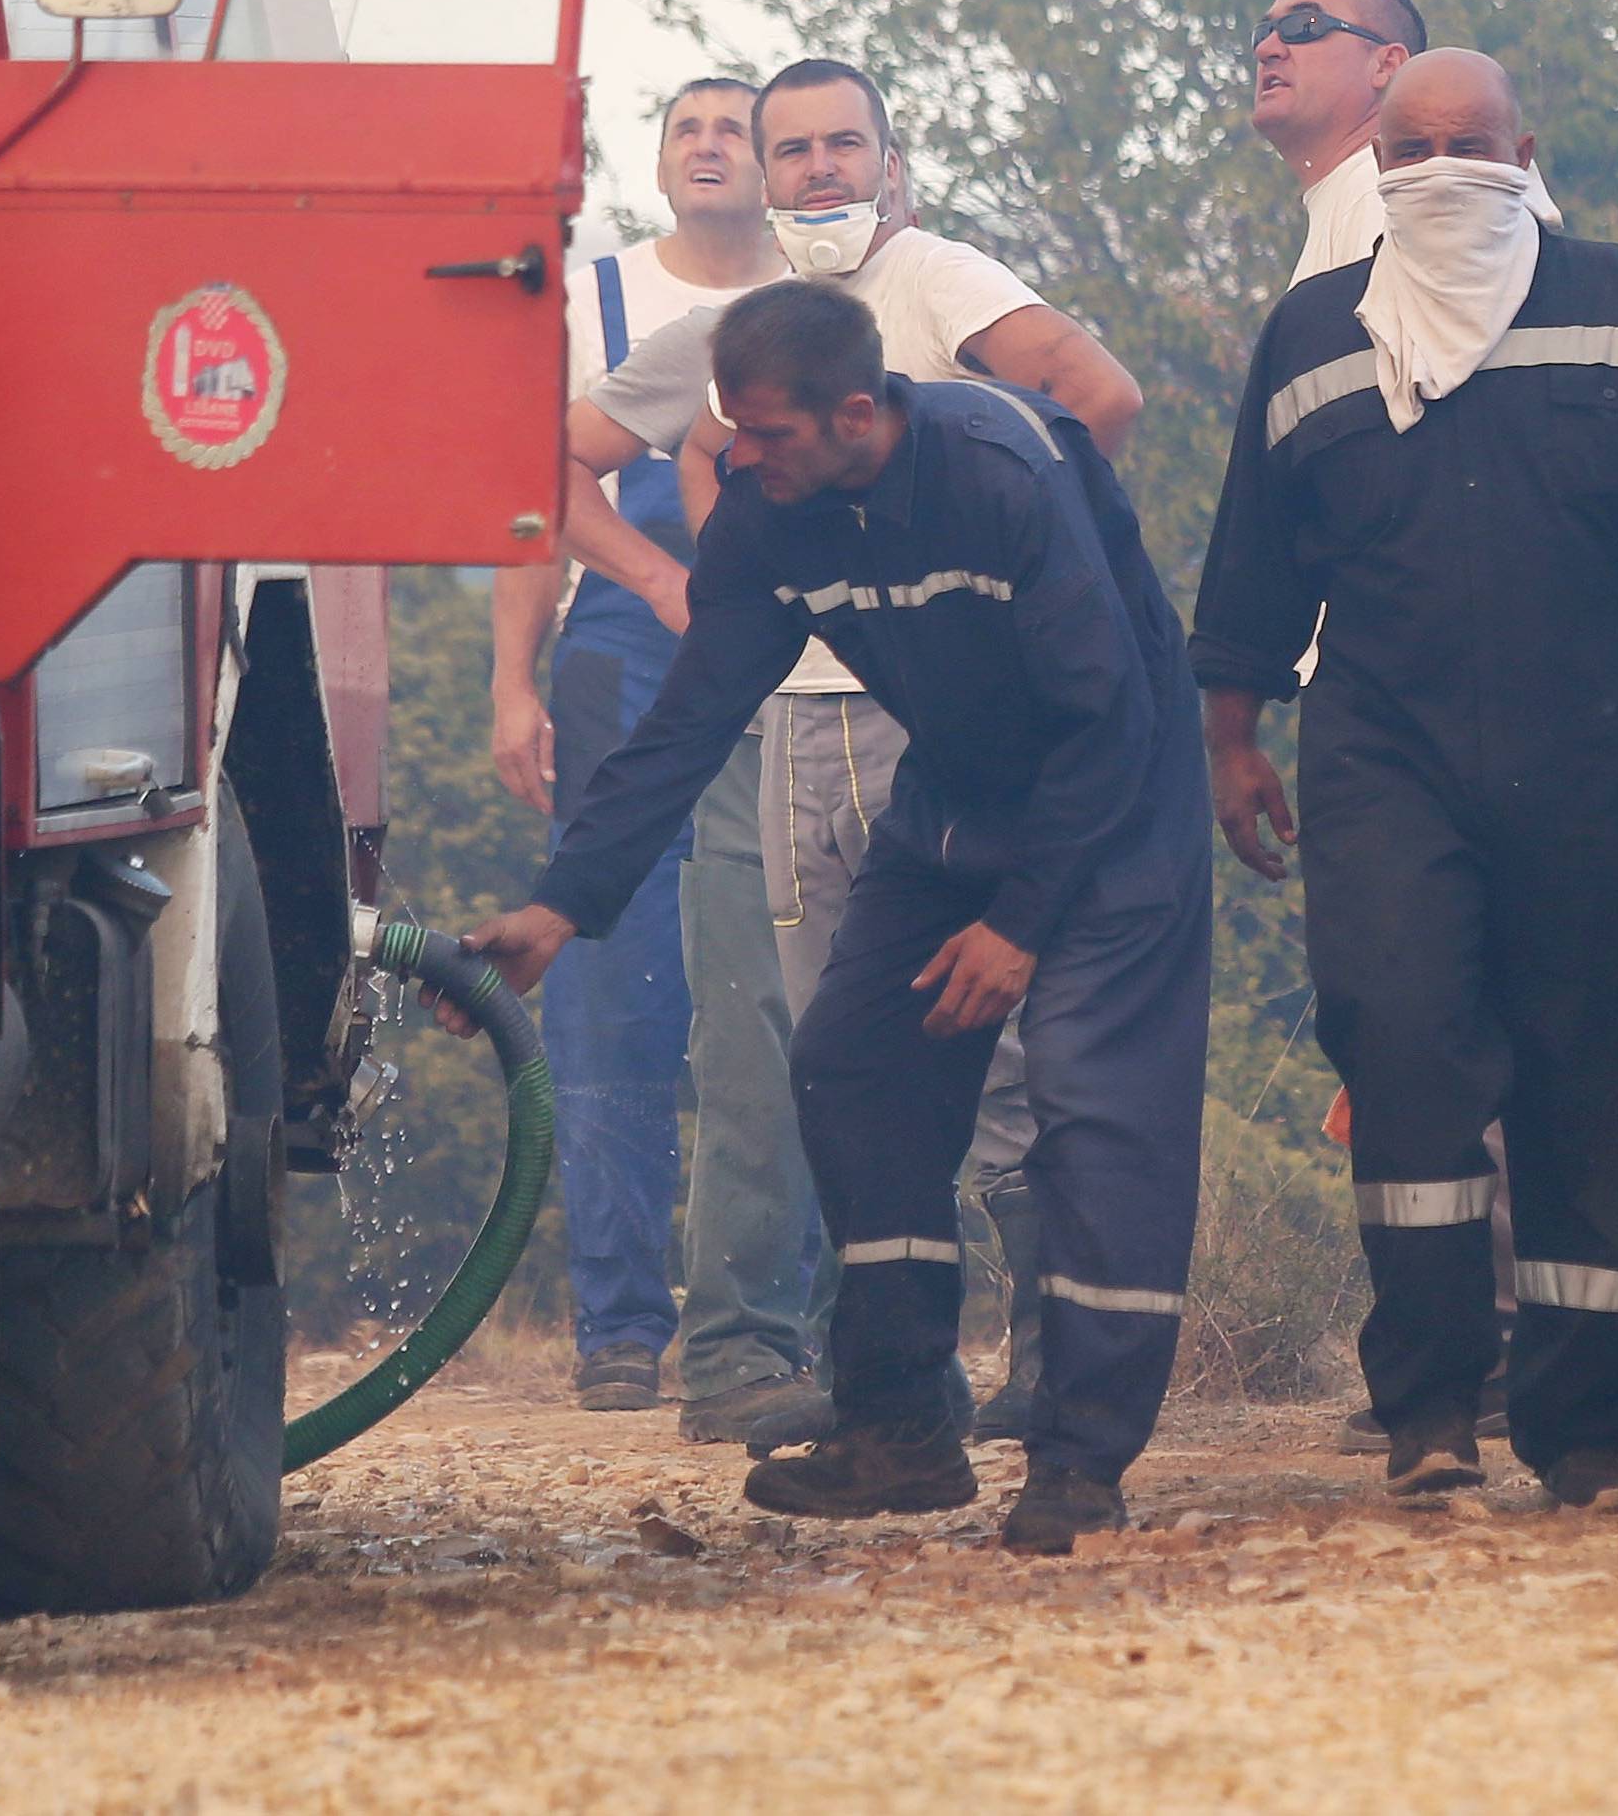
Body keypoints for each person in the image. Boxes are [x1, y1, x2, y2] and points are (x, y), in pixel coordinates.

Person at [452, 278, 1214, 1555]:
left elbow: (1112, 714)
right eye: (726, 433)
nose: (733, 462)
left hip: (1117, 806)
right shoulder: (769, 513)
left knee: (1091, 1101)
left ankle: (1082, 1461)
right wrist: (560, 907)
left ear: (859, 412)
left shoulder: (1003, 468)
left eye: (763, 434)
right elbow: (690, 718)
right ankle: (902, 1427)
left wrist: (1024, 924)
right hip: (959, 801)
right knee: (856, 1062)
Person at [1193, 49, 1618, 1514]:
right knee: (1400, 1046)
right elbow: (1253, 560)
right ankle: (1431, 1408)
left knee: (1606, 1072)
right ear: (1377, 168)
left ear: (1529, 148)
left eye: (1473, 140)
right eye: (1414, 146)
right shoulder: (1314, 333)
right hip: (1379, 757)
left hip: (1585, 751)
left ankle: (1586, 1430)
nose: (1444, 163)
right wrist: (1229, 738)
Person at [675, 58, 1144, 1445]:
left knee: (981, 1049)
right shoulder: (771, 315)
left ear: (890, 156)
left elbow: (1095, 395)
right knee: (843, 1043)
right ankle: (896, 1368)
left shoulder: (936, 276)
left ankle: (1048, 1349)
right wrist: (754, 573)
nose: (819, 170)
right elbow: (698, 450)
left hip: (921, 703)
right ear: (761, 171)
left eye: (843, 144)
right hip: (798, 715)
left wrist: (1042, 564)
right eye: (794, 149)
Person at [1248, 0, 1558, 1448]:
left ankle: (1486, 1350)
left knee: (1451, 1011)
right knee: (1399, 1016)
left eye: (1306, 26)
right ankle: (1464, 1342)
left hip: (1458, 692)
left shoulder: (1432, 206)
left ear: (1392, 68)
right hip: (1362, 684)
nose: (1269, 41)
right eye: (1264, 22)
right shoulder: (1338, 218)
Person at [489, 75, 793, 1433]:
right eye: (691, 129)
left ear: (775, 161)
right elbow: (528, 488)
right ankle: (619, 1323)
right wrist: (512, 678)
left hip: (794, 652)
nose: (715, 144)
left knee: (785, 959)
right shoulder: (601, 298)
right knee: (610, 985)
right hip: (627, 641)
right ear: (663, 164)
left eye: (738, 126)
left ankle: (786, 1310)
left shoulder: (825, 284)